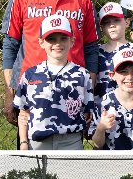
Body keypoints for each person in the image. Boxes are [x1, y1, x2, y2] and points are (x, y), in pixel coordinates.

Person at [0, 0, 100, 132]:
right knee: (31, 153)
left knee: (70, 154)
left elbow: (91, 48)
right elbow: (10, 44)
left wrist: (89, 90)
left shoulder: (83, 0)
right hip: (32, 89)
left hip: (73, 90)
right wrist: (11, 91)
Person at [14, 14, 93, 150]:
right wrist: (23, 142)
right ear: (41, 42)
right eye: (51, 39)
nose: (57, 44)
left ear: (72, 41)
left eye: (63, 39)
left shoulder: (82, 74)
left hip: (71, 142)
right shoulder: (31, 74)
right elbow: (23, 114)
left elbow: (87, 113)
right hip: (37, 142)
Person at [91, 47, 133, 150]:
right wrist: (101, 128)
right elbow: (98, 144)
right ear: (112, 75)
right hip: (112, 163)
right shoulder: (103, 104)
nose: (129, 77)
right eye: (123, 72)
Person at [93, 2, 131, 98]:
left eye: (116, 20)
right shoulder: (95, 52)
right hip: (101, 107)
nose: (112, 25)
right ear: (101, 28)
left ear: (127, 22)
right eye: (106, 22)